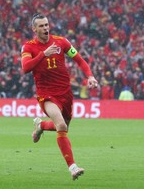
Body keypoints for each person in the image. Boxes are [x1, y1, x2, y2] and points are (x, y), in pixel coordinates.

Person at [21, 13, 98, 181]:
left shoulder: (62, 42)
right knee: (61, 125)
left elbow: (79, 60)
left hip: (65, 93)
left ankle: (41, 125)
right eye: (41, 26)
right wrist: (43, 54)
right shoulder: (28, 47)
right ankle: (73, 167)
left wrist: (90, 76)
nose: (46, 28)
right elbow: (25, 68)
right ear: (34, 29)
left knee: (62, 128)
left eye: (47, 25)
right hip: (47, 95)